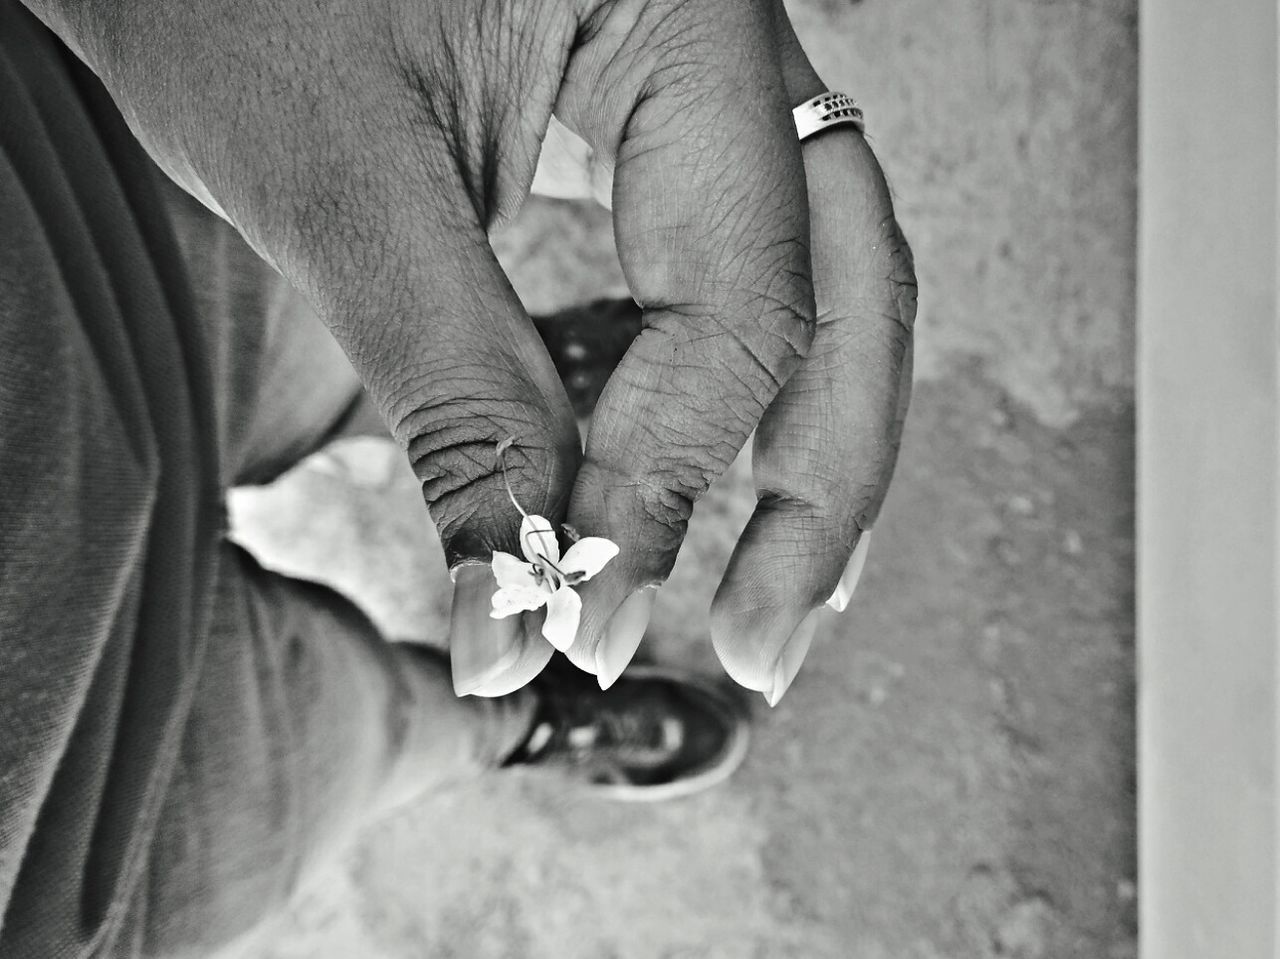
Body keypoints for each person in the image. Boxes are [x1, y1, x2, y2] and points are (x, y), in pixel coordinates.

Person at [0, 0, 916, 953]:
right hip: (58, 816)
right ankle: (518, 723)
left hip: (71, 240)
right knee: (353, 736)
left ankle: (526, 380)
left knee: (328, 334)